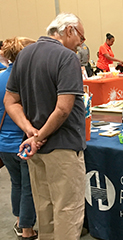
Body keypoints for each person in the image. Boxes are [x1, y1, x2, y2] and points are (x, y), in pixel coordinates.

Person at [4, 12, 87, 240]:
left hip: (35, 150)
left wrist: (30, 131)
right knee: (68, 210)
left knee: (45, 208)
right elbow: (63, 109)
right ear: (69, 30)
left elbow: (10, 101)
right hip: (63, 147)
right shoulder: (67, 58)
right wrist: (39, 135)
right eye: (81, 36)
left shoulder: (24, 55)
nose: (81, 43)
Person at [0, 37, 37, 240]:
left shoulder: (0, 77)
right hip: (23, 141)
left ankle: (18, 219)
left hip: (3, 143)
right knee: (28, 187)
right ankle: (27, 229)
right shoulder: (25, 79)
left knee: (16, 183)